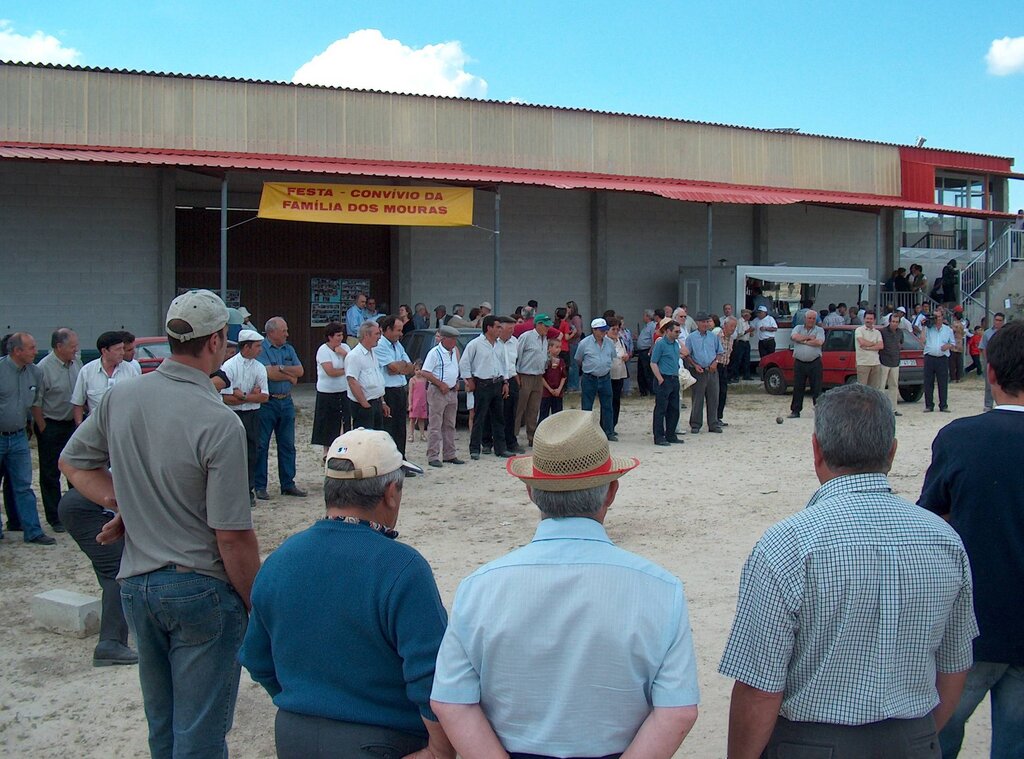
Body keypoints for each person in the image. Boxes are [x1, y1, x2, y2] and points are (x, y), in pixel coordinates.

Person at [719, 383, 978, 758]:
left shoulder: (788, 543)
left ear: (816, 450)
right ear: (892, 451)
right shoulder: (944, 539)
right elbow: (955, 666)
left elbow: (760, 686)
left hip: (811, 742)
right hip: (913, 737)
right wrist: (918, 736)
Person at [59, 289, 261, 757]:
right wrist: (257, 603)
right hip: (200, 587)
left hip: (137, 585)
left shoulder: (121, 397)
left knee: (164, 727)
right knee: (200, 735)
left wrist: (124, 503)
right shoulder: (219, 420)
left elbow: (74, 463)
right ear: (216, 341)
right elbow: (231, 535)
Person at [431, 410, 700, 757]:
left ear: (531, 491)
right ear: (611, 491)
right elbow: (677, 710)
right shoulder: (662, 590)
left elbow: (451, 702)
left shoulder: (479, 587)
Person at [238, 429, 454, 759]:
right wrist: (440, 750)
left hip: (295, 736)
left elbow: (256, 657)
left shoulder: (280, 559)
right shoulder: (403, 567)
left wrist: (303, 700)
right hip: (382, 740)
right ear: (391, 493)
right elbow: (432, 674)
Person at [919, 320, 1024, 759]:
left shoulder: (960, 438)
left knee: (939, 736)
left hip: (971, 626)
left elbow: (929, 520)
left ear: (991, 374)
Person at [58, 487, 138, 666]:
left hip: (84, 504)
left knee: (113, 566)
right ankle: (110, 644)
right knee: (118, 572)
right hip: (86, 509)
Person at [0, 333, 54, 545]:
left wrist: (38, 428)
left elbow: (35, 403)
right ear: (16, 351)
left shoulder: (35, 373)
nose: (36, 351)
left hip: (19, 438)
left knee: (24, 485)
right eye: (31, 348)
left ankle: (32, 531)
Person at [31, 327, 81, 532]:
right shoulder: (43, 368)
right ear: (59, 346)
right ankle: (54, 517)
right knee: (51, 473)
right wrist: (43, 428)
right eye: (72, 346)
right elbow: (36, 402)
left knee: (76, 471)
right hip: (51, 424)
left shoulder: (76, 363)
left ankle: (75, 512)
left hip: (73, 424)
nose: (76, 350)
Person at [255, 317, 306, 499]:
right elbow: (267, 373)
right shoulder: (261, 348)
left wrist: (282, 368)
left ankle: (288, 483)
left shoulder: (289, 348)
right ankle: (259, 485)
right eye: (283, 330)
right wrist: (288, 375)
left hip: (286, 401)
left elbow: (300, 371)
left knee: (288, 445)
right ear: (271, 332)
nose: (287, 334)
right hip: (267, 403)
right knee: (262, 445)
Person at [221, 328, 270, 506]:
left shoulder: (259, 367)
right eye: (257, 346)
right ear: (247, 347)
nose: (260, 350)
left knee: (252, 452)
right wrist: (249, 396)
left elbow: (264, 396)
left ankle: (248, 490)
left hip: (252, 414)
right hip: (233, 415)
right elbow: (226, 398)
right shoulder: (229, 366)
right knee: (233, 453)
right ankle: (233, 490)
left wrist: (242, 396)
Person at [460, 315, 511, 460]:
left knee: (499, 418)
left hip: (497, 383)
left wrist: (505, 382)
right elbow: (464, 363)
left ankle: (501, 448)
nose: (500, 330)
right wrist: (469, 380)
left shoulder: (500, 345)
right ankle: (475, 448)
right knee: (479, 417)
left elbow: (504, 364)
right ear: (489, 328)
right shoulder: (475, 344)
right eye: (497, 327)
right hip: (482, 383)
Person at [422, 325, 464, 468]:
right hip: (438, 391)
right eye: (452, 339)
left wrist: (456, 381)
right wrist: (440, 384)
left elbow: (455, 369)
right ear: (445, 339)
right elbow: (425, 372)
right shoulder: (434, 353)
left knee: (450, 424)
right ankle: (433, 455)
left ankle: (449, 454)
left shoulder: (454, 352)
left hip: (451, 391)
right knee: (435, 424)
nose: (454, 342)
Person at [71, 331, 134, 425]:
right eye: (118, 349)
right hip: (96, 428)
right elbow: (78, 403)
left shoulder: (131, 370)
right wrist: (80, 427)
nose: (122, 353)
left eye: (123, 348)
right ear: (104, 351)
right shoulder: (87, 371)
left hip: (123, 427)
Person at [377, 316, 416, 461]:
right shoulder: (380, 345)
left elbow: (411, 366)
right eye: (398, 330)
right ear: (387, 330)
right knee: (389, 428)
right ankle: (389, 461)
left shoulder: (398, 345)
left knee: (400, 428)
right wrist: (400, 367)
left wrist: (400, 367)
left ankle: (401, 460)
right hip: (388, 391)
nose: (401, 334)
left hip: (400, 389)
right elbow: (392, 367)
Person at [310, 322, 350, 459]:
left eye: (341, 335)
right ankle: (326, 452)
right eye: (337, 335)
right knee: (328, 422)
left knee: (344, 421)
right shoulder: (323, 350)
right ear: (330, 337)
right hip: (327, 391)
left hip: (344, 390)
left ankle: (343, 449)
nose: (340, 338)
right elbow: (330, 371)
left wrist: (345, 355)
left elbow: (353, 363)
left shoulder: (345, 348)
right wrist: (346, 370)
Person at [575, 317, 617, 440]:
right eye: (601, 330)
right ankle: (587, 433)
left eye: (605, 330)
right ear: (594, 330)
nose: (604, 332)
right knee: (587, 407)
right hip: (590, 377)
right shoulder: (584, 343)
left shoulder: (609, 342)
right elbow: (578, 359)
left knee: (607, 406)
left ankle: (608, 432)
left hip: (605, 377)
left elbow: (612, 356)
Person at [514, 312, 552, 447]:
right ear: (539, 324)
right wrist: (516, 374)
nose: (547, 329)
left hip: (538, 376)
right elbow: (516, 355)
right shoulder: (526, 337)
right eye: (546, 326)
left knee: (534, 408)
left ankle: (532, 436)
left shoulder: (545, 339)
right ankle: (513, 436)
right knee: (520, 407)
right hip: (525, 375)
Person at [345, 320, 390, 431]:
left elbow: (377, 380)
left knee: (376, 439)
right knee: (364, 441)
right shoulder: (354, 356)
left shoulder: (373, 353)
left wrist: (382, 402)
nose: (379, 337)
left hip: (376, 402)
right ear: (366, 335)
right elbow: (352, 381)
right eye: (377, 334)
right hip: (364, 405)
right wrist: (365, 404)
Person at [684, 312, 723, 434]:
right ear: (697, 323)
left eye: (707, 322)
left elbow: (719, 352)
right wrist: (695, 365)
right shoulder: (691, 337)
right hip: (698, 371)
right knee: (697, 398)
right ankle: (695, 424)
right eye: (703, 322)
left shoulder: (713, 337)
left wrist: (715, 362)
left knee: (714, 397)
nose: (705, 324)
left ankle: (713, 423)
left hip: (712, 370)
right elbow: (687, 354)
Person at [650, 318, 684, 446]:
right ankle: (659, 436)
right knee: (661, 409)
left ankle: (671, 434)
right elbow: (653, 362)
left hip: (674, 378)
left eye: (679, 332)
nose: (678, 334)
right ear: (668, 331)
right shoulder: (660, 344)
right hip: (664, 378)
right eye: (676, 331)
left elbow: (684, 353)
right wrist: (660, 379)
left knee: (674, 408)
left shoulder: (676, 344)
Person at [788, 309, 825, 419]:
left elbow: (819, 342)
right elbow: (794, 337)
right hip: (799, 363)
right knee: (798, 387)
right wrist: (808, 339)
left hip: (815, 363)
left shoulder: (820, 330)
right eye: (809, 318)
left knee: (817, 388)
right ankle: (795, 411)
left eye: (814, 318)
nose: (811, 320)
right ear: (805, 319)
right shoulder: (798, 328)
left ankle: (819, 412)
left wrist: (802, 340)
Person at [920, 307, 955, 413]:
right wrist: (924, 326)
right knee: (928, 382)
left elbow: (953, 343)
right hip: (930, 357)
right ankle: (929, 405)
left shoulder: (947, 330)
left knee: (943, 382)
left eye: (938, 316)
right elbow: (922, 340)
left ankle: (943, 405)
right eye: (935, 317)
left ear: (942, 317)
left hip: (942, 358)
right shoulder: (929, 328)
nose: (936, 319)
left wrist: (947, 346)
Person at [879, 312, 904, 416]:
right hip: (884, 361)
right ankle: (880, 409)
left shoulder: (900, 332)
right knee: (881, 386)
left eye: (896, 322)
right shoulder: (883, 332)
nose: (894, 323)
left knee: (894, 386)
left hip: (895, 362)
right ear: (889, 322)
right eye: (893, 321)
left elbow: (901, 343)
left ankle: (893, 409)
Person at [608, 317, 630, 434]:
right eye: (613, 329)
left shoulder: (620, 340)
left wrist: (626, 356)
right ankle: (607, 425)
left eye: (617, 329)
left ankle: (613, 424)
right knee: (609, 401)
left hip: (620, 373)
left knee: (616, 400)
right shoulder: (606, 341)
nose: (616, 331)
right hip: (609, 374)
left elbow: (624, 352)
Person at [980, 312, 1004, 411]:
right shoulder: (987, 333)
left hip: (1003, 361)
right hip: (990, 361)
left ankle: (1001, 404)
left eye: (1000, 320)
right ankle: (988, 404)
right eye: (996, 320)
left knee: (1003, 383)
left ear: (1003, 321)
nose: (997, 322)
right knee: (989, 384)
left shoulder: (1006, 333)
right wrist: (987, 360)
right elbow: (983, 347)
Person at [538, 338, 566, 422]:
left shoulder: (561, 361)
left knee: (557, 415)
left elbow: (563, 376)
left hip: (558, 392)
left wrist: (559, 389)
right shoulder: (545, 361)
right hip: (546, 392)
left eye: (560, 347)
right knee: (544, 414)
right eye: (556, 347)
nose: (559, 349)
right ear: (550, 348)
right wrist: (550, 389)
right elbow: (541, 377)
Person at [854, 310, 884, 389]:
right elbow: (862, 342)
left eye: (871, 319)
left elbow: (881, 346)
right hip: (863, 363)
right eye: (867, 318)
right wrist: (875, 343)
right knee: (862, 389)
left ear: (874, 320)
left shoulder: (877, 332)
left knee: (874, 390)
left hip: (876, 363)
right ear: (864, 319)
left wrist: (868, 347)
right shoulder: (859, 330)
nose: (869, 321)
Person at [716, 316, 736, 426]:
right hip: (716, 366)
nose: (733, 329)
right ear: (725, 325)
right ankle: (714, 417)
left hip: (724, 366)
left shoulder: (731, 339)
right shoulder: (718, 336)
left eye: (735, 327)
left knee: (723, 393)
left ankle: (719, 416)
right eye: (731, 326)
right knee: (715, 393)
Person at [634, 308, 657, 396]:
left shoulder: (652, 326)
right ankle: (643, 391)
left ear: (648, 316)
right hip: (641, 351)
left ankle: (651, 390)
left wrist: (650, 351)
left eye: (644, 315)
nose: (643, 317)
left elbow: (653, 339)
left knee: (647, 372)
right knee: (641, 372)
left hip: (647, 351)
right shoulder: (646, 326)